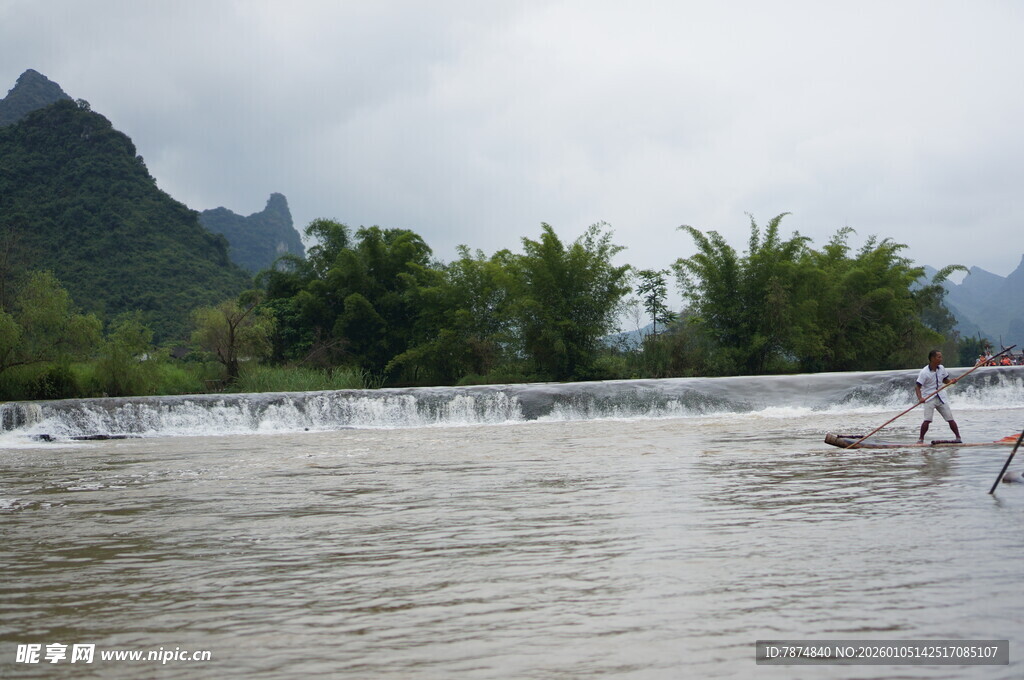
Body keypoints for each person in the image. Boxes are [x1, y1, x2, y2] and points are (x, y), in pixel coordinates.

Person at [916, 349, 961, 443]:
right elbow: (917, 387)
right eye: (939, 357)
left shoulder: (941, 368)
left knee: (950, 418)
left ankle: (958, 438)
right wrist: (920, 398)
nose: (941, 359)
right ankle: (921, 440)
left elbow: (945, 380)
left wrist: (951, 382)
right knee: (927, 420)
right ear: (932, 358)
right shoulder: (924, 372)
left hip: (941, 397)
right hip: (929, 398)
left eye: (941, 356)